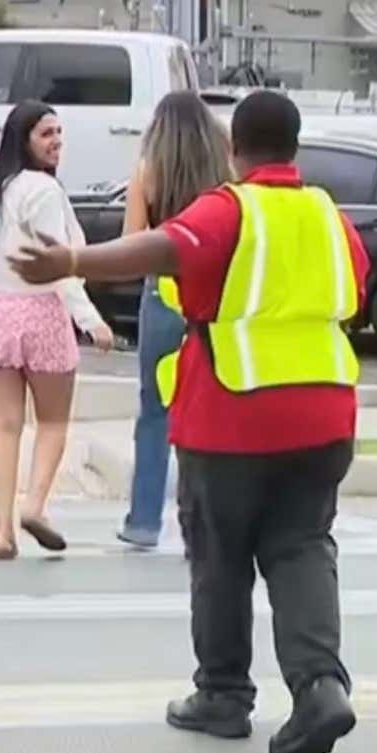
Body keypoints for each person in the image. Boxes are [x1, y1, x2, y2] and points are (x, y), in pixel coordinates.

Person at [11, 90, 369, 753]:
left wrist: (74, 263)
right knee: (303, 548)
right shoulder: (327, 216)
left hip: (233, 417)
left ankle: (224, 695)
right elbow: (357, 285)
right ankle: (321, 686)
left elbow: (161, 246)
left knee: (221, 558)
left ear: (236, 149)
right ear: (295, 150)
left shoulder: (231, 208)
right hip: (324, 417)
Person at [0, 99, 114, 561]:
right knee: (54, 421)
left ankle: (3, 532)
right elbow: (58, 264)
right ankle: (35, 505)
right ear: (24, 139)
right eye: (46, 133)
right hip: (40, 311)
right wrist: (91, 319)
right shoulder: (42, 192)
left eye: (59, 132)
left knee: (3, 427)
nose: (56, 141)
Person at [116, 92, 235, 550]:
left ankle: (144, 520)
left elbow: (132, 242)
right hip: (218, 295)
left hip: (163, 295)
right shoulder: (224, 174)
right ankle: (207, 522)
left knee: (155, 409)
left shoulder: (149, 172)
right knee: (215, 404)